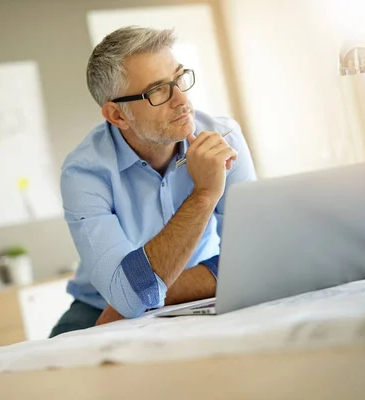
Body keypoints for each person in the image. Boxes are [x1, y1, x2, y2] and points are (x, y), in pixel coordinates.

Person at [49, 26, 257, 338]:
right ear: (117, 115)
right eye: (158, 91)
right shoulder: (84, 173)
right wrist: (203, 195)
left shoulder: (223, 138)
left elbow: (254, 261)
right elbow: (125, 296)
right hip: (97, 307)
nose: (183, 101)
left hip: (197, 292)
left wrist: (143, 292)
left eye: (179, 78)